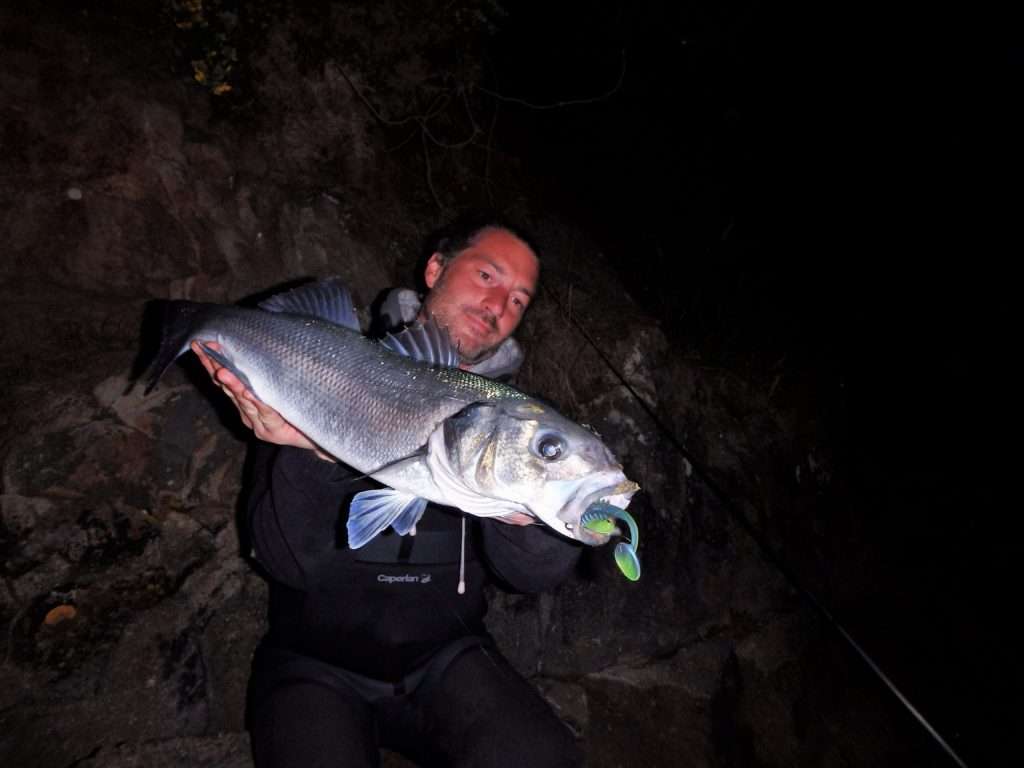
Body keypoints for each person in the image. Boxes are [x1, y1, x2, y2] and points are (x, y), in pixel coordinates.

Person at [193, 217, 585, 767]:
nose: (499, 305)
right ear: (435, 269)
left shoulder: (520, 422)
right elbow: (284, 560)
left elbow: (532, 576)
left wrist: (552, 507)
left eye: (519, 299)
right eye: (487, 276)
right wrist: (311, 448)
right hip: (314, 665)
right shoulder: (324, 369)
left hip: (447, 657)